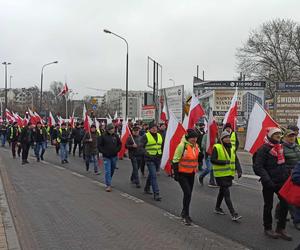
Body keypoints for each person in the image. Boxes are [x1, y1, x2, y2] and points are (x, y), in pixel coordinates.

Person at [253, 127, 292, 241]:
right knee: (268, 205)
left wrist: (287, 174)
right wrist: (267, 180)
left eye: (280, 135)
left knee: (285, 203)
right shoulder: (264, 149)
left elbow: (283, 163)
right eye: (276, 135)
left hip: (281, 181)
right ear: (270, 136)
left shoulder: (280, 147)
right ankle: (268, 228)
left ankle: (281, 228)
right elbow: (258, 166)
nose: (279, 137)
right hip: (269, 182)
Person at [211, 131, 242, 221]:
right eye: (225, 137)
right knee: (226, 193)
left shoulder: (232, 148)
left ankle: (217, 208)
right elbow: (213, 160)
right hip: (220, 175)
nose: (228, 139)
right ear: (222, 139)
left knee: (222, 192)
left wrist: (239, 170)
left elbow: (236, 160)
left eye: (228, 137)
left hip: (229, 174)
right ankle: (233, 214)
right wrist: (224, 162)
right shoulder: (217, 147)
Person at [172, 129, 199, 225]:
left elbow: (196, 158)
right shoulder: (182, 146)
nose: (194, 139)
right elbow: (175, 160)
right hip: (182, 174)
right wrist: (176, 174)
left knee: (189, 194)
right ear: (188, 138)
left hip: (191, 173)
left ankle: (184, 212)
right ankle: (186, 215)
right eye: (192, 137)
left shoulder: (196, 146)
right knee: (187, 193)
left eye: (196, 137)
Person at [281, 129, 300, 231]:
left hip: (297, 172)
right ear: (284, 138)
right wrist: (287, 172)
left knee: (286, 197)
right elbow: (280, 162)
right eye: (289, 136)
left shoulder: (297, 147)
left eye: (293, 136)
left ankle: (278, 212)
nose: (292, 138)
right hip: (288, 175)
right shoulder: (282, 148)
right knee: (293, 199)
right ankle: (296, 220)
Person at [97, 123, 121, 192]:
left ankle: (109, 180)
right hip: (106, 157)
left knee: (112, 169)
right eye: (111, 129)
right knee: (108, 170)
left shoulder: (116, 136)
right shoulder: (103, 136)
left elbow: (120, 144)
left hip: (114, 156)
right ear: (108, 129)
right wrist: (104, 152)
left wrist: (117, 150)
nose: (113, 130)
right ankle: (108, 185)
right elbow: (99, 146)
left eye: (113, 128)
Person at [143, 121, 163, 201]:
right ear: (150, 129)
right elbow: (140, 147)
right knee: (154, 175)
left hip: (157, 158)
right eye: (153, 128)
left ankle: (146, 188)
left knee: (151, 174)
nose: (154, 129)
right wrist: (147, 154)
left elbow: (162, 145)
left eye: (155, 128)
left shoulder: (159, 135)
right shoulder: (145, 136)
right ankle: (156, 194)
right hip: (149, 159)